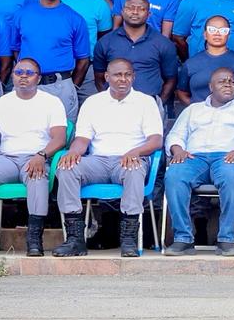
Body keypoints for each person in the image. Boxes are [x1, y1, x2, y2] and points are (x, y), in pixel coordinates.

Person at [0, 57, 71, 256]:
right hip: (6, 158)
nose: (23, 76)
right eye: (18, 72)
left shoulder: (51, 102)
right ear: (13, 76)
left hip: (36, 158)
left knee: (37, 177)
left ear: (38, 78)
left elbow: (59, 138)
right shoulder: (0, 103)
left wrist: (42, 155)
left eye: (29, 73)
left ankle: (34, 239)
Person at [54, 58, 164, 257]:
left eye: (127, 75)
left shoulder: (146, 102)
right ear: (106, 77)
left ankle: (129, 239)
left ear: (133, 77)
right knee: (67, 168)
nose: (123, 79)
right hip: (98, 161)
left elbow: (156, 140)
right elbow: (82, 139)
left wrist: (136, 152)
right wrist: (73, 152)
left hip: (130, 159)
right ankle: (75, 239)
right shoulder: (93, 102)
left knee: (134, 169)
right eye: (117, 75)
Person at [161, 66, 234, 254]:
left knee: (232, 177)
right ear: (211, 87)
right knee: (174, 176)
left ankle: (226, 240)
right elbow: (175, 135)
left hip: (229, 156)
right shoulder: (193, 110)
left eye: (232, 82)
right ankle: (183, 238)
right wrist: (177, 150)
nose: (228, 84)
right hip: (194, 158)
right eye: (222, 81)